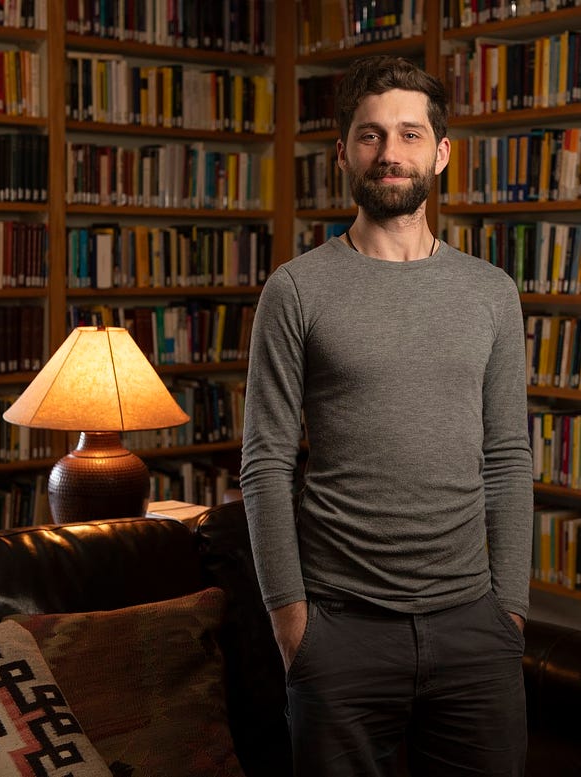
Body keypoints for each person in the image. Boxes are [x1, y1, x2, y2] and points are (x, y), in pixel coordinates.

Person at [239, 55, 533, 777]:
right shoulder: (296, 290)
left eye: (408, 134)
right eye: (370, 136)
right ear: (343, 153)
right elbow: (265, 462)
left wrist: (512, 611)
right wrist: (292, 624)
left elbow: (508, 456)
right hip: (339, 629)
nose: (390, 153)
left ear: (440, 152)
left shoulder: (491, 292)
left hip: (474, 627)